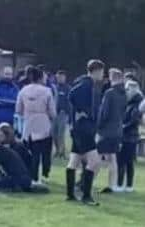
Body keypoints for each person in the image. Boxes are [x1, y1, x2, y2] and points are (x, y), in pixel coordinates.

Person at [66, 59, 105, 206]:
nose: (102, 75)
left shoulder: (83, 82)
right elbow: (72, 95)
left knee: (74, 161)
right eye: (101, 72)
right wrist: (82, 111)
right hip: (84, 129)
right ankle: (86, 196)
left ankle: (70, 195)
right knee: (94, 162)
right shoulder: (87, 84)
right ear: (95, 71)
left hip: (77, 129)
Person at [16, 66, 56, 185]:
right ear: (40, 78)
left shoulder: (23, 90)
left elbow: (18, 109)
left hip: (28, 123)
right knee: (44, 151)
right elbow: (52, 112)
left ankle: (33, 175)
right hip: (43, 122)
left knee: (33, 151)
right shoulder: (47, 91)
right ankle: (44, 174)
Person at [96, 68, 127, 193]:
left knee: (96, 157)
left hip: (106, 131)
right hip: (118, 129)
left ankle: (86, 182)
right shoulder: (124, 94)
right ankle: (112, 184)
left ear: (112, 78)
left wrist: (98, 127)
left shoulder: (109, 93)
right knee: (112, 158)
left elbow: (104, 113)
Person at [117, 80, 143, 192]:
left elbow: (133, 121)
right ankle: (128, 185)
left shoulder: (136, 103)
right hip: (130, 136)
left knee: (122, 161)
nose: (126, 91)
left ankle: (121, 184)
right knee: (128, 162)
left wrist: (121, 128)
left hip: (129, 136)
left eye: (127, 89)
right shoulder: (132, 102)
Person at [0, 66, 19, 133]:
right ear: (1, 74)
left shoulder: (15, 88)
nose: (8, 76)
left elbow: (17, 102)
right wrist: (9, 102)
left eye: (10, 74)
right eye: (6, 74)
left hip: (10, 122)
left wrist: (1, 100)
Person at [53, 70, 71, 159]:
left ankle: (62, 152)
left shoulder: (68, 88)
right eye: (58, 77)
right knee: (54, 134)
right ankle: (57, 150)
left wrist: (67, 111)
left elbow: (69, 102)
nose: (60, 79)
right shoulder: (54, 88)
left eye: (62, 77)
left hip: (63, 114)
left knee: (61, 133)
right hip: (53, 114)